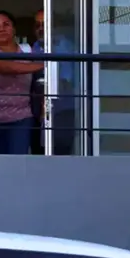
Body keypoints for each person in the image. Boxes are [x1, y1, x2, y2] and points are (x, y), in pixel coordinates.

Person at [0, 11, 43, 154]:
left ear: (14, 29)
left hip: (21, 118)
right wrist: (45, 65)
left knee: (17, 165)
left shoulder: (28, 52)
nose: (2, 29)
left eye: (6, 24)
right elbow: (6, 67)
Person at [31, 9, 78, 155]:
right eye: (37, 25)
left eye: (44, 24)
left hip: (62, 111)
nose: (40, 28)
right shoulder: (37, 47)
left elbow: (64, 81)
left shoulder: (63, 46)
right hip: (40, 111)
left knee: (60, 156)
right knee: (39, 154)